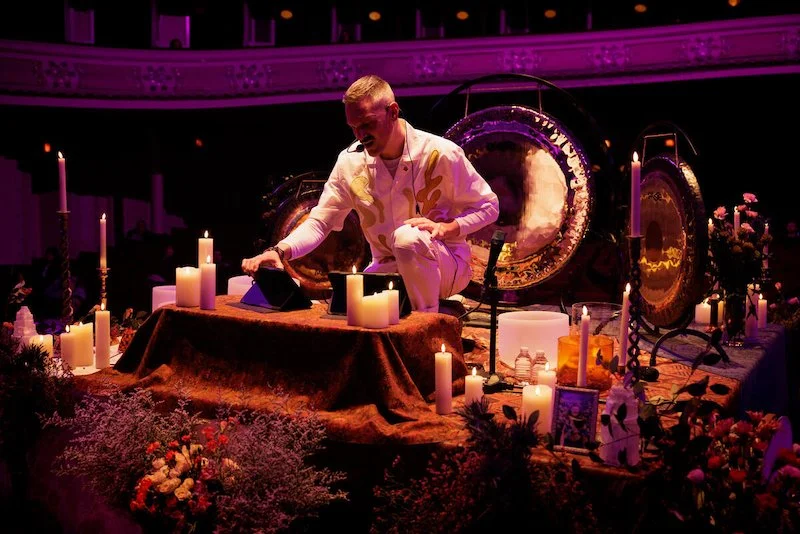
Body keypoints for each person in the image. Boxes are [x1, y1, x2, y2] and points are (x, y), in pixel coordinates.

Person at [242, 75, 499, 312]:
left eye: (367, 124)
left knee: (407, 238)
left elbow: (489, 206)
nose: (360, 135)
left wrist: (449, 228)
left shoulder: (442, 153)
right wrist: (279, 251)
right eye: (354, 127)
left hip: (447, 265)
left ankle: (425, 326)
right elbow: (321, 222)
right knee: (343, 311)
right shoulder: (350, 163)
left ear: (393, 112)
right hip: (388, 270)